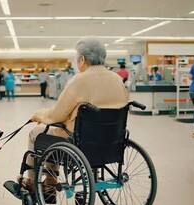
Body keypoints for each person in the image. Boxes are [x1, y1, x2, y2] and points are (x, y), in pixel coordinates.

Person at [21, 36, 129, 191]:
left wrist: (40, 114)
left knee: (37, 133)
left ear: (83, 59)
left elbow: (57, 115)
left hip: (80, 141)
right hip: (112, 140)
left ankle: (37, 183)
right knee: (54, 133)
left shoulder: (79, 80)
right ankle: (49, 183)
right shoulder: (118, 79)